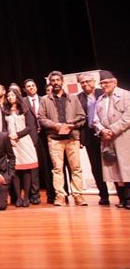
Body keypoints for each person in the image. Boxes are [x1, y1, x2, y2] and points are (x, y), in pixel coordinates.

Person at [38, 70, 87, 206]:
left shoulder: (73, 97)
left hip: (72, 137)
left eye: (57, 80)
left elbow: (82, 116)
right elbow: (41, 118)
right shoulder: (45, 99)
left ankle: (78, 195)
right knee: (57, 169)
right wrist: (55, 125)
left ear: (62, 81)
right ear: (50, 83)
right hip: (54, 138)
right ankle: (60, 196)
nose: (55, 83)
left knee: (76, 167)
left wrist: (71, 124)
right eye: (53, 81)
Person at [93, 70, 130, 208]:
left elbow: (128, 117)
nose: (103, 85)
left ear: (115, 82)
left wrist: (112, 129)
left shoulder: (126, 95)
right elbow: (95, 119)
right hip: (107, 139)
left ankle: (129, 198)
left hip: (123, 137)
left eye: (106, 82)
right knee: (114, 169)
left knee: (126, 168)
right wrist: (103, 130)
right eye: (101, 83)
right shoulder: (101, 99)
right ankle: (122, 198)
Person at [77, 72, 109, 205]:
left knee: (111, 164)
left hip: (106, 134)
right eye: (82, 82)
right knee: (96, 167)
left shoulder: (103, 93)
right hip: (89, 135)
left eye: (87, 81)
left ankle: (123, 195)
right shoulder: (78, 98)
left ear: (94, 81)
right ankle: (104, 195)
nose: (85, 84)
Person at [4, 90, 38, 207]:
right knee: (15, 170)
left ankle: (27, 197)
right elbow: (4, 128)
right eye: (8, 95)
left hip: (24, 141)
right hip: (11, 142)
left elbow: (30, 127)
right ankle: (18, 197)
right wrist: (9, 138)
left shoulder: (24, 110)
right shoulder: (6, 111)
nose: (9, 97)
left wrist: (17, 135)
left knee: (27, 170)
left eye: (12, 95)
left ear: (17, 96)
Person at [23, 78, 49, 204]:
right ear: (25, 89)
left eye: (33, 85)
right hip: (30, 137)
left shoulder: (44, 99)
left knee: (48, 165)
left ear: (36, 87)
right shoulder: (22, 101)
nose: (31, 87)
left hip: (46, 135)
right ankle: (35, 194)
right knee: (33, 167)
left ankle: (52, 193)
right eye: (28, 86)